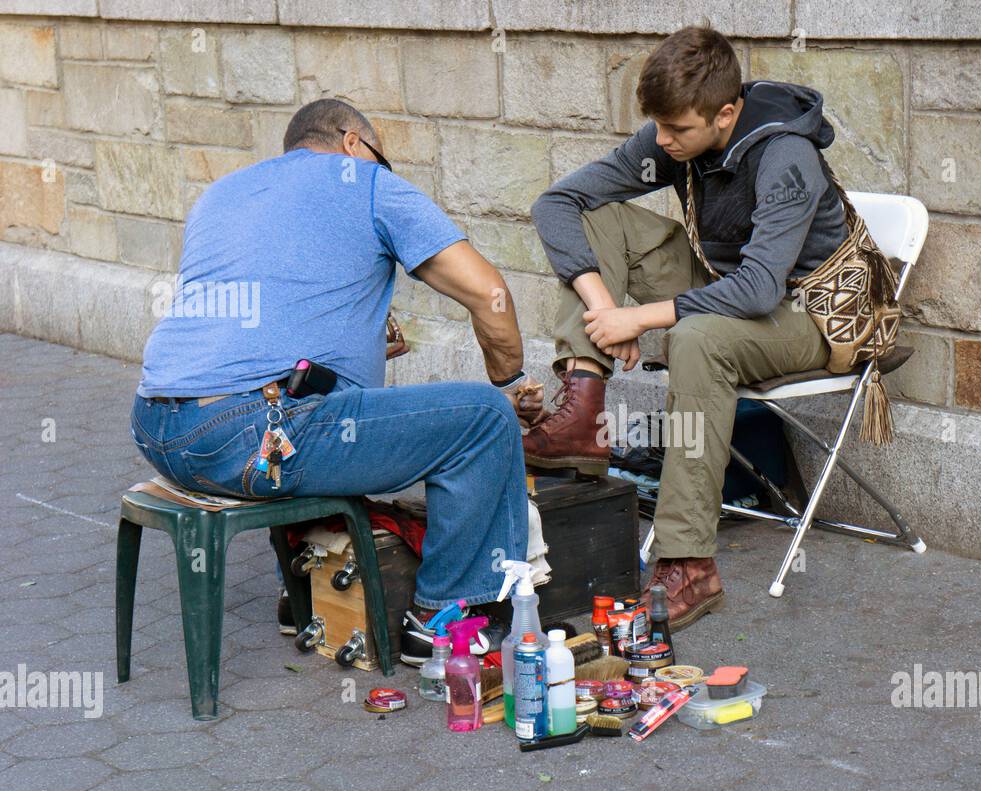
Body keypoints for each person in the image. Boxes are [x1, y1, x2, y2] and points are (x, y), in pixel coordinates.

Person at [130, 98, 543, 664]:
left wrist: (357, 346)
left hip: (157, 428)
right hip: (249, 436)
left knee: (334, 416)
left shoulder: (222, 193)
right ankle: (441, 619)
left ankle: (302, 593)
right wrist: (510, 380)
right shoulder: (368, 182)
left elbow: (250, 329)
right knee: (481, 419)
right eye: (379, 157)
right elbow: (487, 293)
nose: (380, 168)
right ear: (353, 142)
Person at [525, 27, 846, 629]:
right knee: (601, 219)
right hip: (727, 284)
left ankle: (687, 561)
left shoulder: (786, 156)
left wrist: (639, 318)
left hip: (809, 310)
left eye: (678, 131)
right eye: (660, 128)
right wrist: (604, 312)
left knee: (697, 339)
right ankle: (583, 413)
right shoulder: (674, 135)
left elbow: (758, 290)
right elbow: (556, 204)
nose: (663, 142)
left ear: (725, 113)